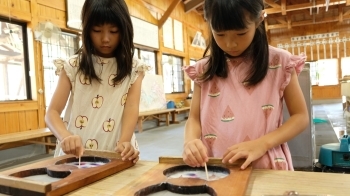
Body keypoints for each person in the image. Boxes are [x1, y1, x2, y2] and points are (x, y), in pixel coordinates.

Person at [182, 0, 309, 170]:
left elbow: (300, 117)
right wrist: (190, 141)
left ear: (259, 20)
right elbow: (194, 118)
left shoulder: (280, 62)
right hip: (215, 166)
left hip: (264, 165)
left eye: (241, 33)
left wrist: (262, 144)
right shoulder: (204, 70)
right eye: (219, 34)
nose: (230, 44)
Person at [45, 0, 149, 163]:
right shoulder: (73, 66)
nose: (105, 38)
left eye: (113, 31)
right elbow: (52, 113)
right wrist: (66, 137)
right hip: (76, 155)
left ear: (124, 30)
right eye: (97, 30)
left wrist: (125, 141)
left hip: (116, 151)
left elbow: (131, 107)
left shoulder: (134, 68)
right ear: (87, 30)